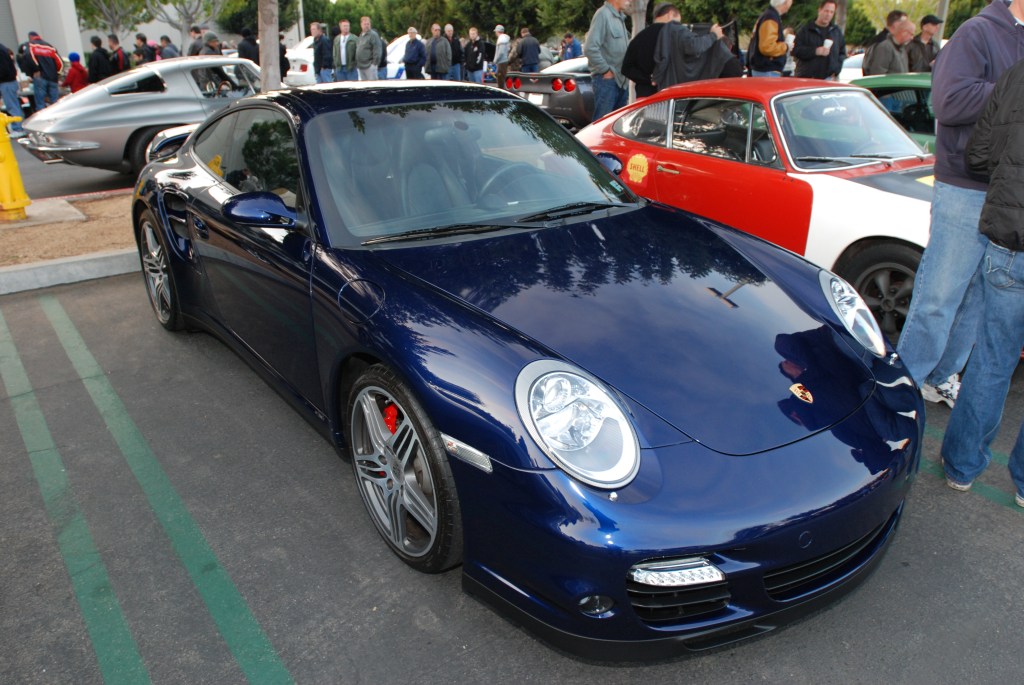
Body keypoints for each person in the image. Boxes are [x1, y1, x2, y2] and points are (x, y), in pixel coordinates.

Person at [896, 0, 1024, 408]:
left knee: (979, 298)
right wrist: (1014, 90)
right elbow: (948, 102)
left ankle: (939, 375)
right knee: (940, 295)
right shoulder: (978, 32)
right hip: (965, 185)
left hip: (1008, 189)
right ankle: (905, 387)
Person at [940, 57, 1024, 507]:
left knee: (991, 361)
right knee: (992, 360)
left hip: (1010, 244)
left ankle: (961, 468)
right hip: (1011, 241)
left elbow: (978, 154)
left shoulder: (1015, 76)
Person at [652, 8, 728, 90]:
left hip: (667, 89)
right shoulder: (679, 30)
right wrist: (714, 35)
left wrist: (657, 76)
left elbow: (662, 58)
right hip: (679, 89)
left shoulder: (666, 32)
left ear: (670, 14)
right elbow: (694, 46)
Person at [586, 0, 630, 119]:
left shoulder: (620, 18)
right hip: (607, 82)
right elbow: (590, 48)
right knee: (602, 125)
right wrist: (606, 71)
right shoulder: (602, 14)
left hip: (621, 81)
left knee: (616, 126)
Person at [792, 0, 846, 80]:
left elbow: (842, 53)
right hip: (807, 78)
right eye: (826, 11)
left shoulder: (836, 32)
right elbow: (796, 51)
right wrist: (815, 51)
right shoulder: (806, 30)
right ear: (819, 10)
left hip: (828, 78)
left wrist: (836, 70)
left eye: (831, 12)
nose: (828, 15)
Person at [748, 0, 792, 77]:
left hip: (764, 69)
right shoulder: (771, 17)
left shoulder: (768, 16)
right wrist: (786, 46)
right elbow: (767, 47)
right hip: (767, 70)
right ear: (786, 2)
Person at [20, 31, 62, 111]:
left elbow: (28, 57)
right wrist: (57, 73)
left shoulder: (30, 45)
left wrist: (35, 70)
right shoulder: (49, 46)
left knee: (40, 103)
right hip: (53, 77)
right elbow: (59, 62)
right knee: (55, 103)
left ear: (30, 37)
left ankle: (42, 122)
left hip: (40, 77)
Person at [1, 42, 25, 138]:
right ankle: (19, 126)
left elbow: (3, 68)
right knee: (14, 105)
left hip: (6, 82)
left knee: (12, 106)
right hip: (9, 81)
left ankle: (18, 128)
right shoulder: (3, 49)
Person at [355, 16, 381, 81]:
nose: (366, 26)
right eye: (365, 24)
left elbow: (377, 50)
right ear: (361, 25)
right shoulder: (361, 35)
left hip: (369, 66)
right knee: (364, 87)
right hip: (361, 66)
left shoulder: (373, 35)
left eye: (368, 24)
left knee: (372, 87)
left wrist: (374, 64)